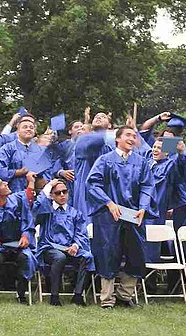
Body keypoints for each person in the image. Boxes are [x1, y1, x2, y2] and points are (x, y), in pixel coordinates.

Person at [86, 125, 155, 309]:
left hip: (133, 216)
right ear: (117, 139)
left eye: (134, 136)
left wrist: (143, 207)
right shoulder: (105, 160)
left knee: (136, 254)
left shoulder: (141, 162)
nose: (132, 139)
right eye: (128, 135)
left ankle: (124, 295)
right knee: (108, 254)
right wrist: (108, 203)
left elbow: (148, 186)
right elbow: (92, 184)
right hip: (109, 216)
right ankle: (107, 299)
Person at [32, 178, 94, 306]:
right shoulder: (46, 211)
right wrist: (48, 186)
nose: (62, 195)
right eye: (57, 193)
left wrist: (75, 246)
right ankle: (54, 296)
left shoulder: (74, 213)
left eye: (64, 192)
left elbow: (81, 233)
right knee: (59, 257)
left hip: (70, 249)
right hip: (50, 248)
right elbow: (34, 211)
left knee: (87, 257)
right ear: (51, 195)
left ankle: (77, 296)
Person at [73, 112, 113, 220]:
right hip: (85, 193)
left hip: (105, 195)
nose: (99, 117)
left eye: (103, 117)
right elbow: (96, 140)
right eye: (96, 117)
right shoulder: (83, 141)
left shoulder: (110, 148)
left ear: (110, 125)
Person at [0, 115, 45, 191]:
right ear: (18, 131)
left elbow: (49, 172)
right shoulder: (8, 149)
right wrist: (17, 172)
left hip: (36, 193)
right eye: (25, 127)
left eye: (31, 127)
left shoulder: (41, 151)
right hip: (13, 193)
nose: (28, 129)